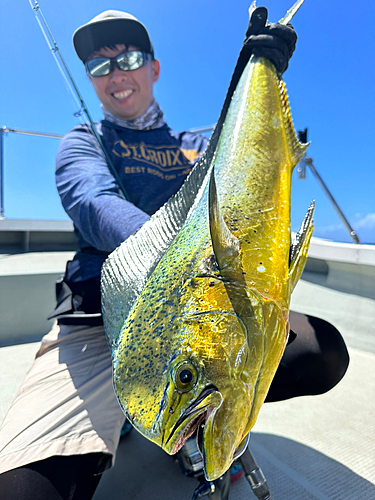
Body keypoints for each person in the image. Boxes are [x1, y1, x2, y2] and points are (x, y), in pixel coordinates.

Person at [0, 9, 349, 500]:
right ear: (91, 81)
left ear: (154, 67)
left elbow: (241, 170)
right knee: (22, 493)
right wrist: (171, 263)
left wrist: (251, 74)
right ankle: (135, 415)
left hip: (206, 316)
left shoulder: (199, 146)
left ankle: (194, 420)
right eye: (100, 67)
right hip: (96, 321)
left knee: (323, 351)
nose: (117, 73)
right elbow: (94, 204)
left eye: (129, 57)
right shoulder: (83, 142)